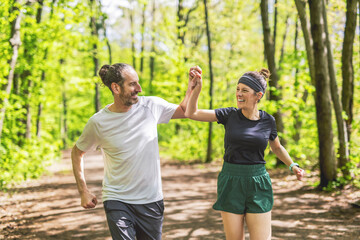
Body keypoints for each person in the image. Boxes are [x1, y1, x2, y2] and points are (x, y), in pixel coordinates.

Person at [71, 63, 202, 240]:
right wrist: (83, 191)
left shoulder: (151, 106)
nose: (139, 89)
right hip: (117, 199)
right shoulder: (98, 122)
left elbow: (185, 111)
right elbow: (77, 152)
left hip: (151, 200)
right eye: (132, 84)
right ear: (116, 88)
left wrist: (191, 88)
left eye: (138, 83)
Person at [185, 68, 305, 240]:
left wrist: (293, 165)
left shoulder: (268, 120)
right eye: (237, 89)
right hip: (231, 181)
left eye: (244, 90)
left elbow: (276, 147)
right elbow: (192, 113)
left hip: (258, 183)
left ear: (259, 95)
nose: (239, 94)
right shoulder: (229, 115)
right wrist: (196, 89)